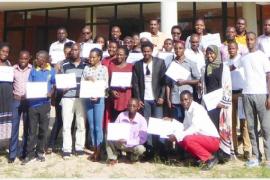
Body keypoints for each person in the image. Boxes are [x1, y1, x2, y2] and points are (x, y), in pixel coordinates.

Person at [231, 32, 270, 168]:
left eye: (252, 39)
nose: (249, 41)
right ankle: (255, 156)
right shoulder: (244, 57)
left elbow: (268, 76)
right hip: (246, 95)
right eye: (247, 39)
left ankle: (268, 158)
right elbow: (231, 67)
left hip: (261, 94)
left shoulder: (262, 56)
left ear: (256, 41)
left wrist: (269, 96)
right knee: (251, 127)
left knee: (265, 128)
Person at [167, 90, 220, 170]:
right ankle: (195, 159)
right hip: (203, 139)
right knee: (181, 139)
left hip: (213, 140)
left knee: (187, 139)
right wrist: (172, 121)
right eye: (182, 100)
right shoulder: (187, 110)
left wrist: (177, 136)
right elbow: (184, 127)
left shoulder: (197, 109)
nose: (184, 102)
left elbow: (194, 128)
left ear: (191, 99)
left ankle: (210, 158)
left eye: (186, 99)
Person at [132, 41, 166, 160]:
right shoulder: (137, 65)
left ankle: (160, 150)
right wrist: (138, 98)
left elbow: (163, 82)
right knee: (146, 125)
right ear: (142, 51)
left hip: (157, 99)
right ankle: (150, 150)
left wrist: (162, 96)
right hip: (144, 99)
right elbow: (135, 84)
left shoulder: (160, 63)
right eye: (144, 51)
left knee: (158, 125)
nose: (146, 53)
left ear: (152, 51)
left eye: (148, 51)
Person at [22, 50, 56, 165]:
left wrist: (51, 92)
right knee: (32, 130)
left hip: (45, 105)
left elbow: (55, 84)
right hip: (33, 105)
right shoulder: (33, 70)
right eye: (36, 57)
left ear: (45, 60)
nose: (36, 59)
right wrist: (28, 92)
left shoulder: (51, 70)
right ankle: (29, 154)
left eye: (39, 58)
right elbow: (29, 84)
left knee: (43, 130)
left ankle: (40, 152)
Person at [200, 45, 233, 159]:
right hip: (209, 104)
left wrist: (223, 101)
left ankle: (223, 153)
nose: (209, 56)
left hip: (220, 103)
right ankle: (213, 152)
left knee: (222, 126)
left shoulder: (224, 67)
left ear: (217, 54)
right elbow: (204, 86)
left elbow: (228, 86)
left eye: (212, 53)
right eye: (208, 53)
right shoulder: (204, 68)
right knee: (211, 128)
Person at [46, 41, 74, 154]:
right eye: (66, 52)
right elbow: (54, 81)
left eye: (70, 52)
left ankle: (68, 144)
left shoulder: (77, 63)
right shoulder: (59, 64)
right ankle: (51, 143)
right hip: (60, 95)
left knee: (72, 121)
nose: (68, 54)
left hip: (73, 96)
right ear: (64, 52)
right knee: (59, 120)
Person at [224, 41, 251, 159]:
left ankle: (246, 149)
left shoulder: (242, 60)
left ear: (237, 49)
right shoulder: (225, 63)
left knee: (244, 123)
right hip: (230, 95)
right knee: (232, 124)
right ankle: (234, 148)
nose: (231, 50)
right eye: (229, 48)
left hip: (241, 95)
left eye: (233, 48)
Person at [83, 48, 108, 162]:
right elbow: (83, 82)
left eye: (94, 57)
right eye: (90, 57)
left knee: (98, 127)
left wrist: (98, 94)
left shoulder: (104, 69)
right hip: (88, 99)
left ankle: (100, 150)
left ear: (99, 58)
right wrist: (88, 78)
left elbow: (105, 84)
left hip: (99, 100)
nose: (91, 59)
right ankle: (94, 149)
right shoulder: (86, 68)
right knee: (91, 126)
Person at [61, 43, 86, 159]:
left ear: (80, 50)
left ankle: (79, 147)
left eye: (77, 49)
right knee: (67, 124)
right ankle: (66, 149)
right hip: (67, 97)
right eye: (72, 50)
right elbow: (59, 80)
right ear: (70, 51)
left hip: (81, 97)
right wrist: (62, 87)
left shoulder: (86, 64)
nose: (74, 52)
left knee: (81, 124)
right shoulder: (64, 64)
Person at [166, 41, 200, 122]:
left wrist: (185, 82)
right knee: (176, 122)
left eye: (180, 48)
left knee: (187, 122)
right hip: (175, 98)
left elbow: (198, 80)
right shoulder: (171, 64)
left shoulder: (191, 63)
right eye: (176, 49)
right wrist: (168, 98)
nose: (178, 50)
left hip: (187, 99)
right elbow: (168, 84)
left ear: (184, 49)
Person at [106, 98, 147, 165]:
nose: (131, 107)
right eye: (130, 105)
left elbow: (142, 139)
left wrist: (127, 141)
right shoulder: (121, 115)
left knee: (141, 149)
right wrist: (114, 135)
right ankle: (113, 157)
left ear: (138, 107)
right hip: (120, 143)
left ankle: (132, 157)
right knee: (108, 135)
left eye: (134, 106)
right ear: (127, 106)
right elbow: (115, 129)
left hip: (133, 146)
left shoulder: (142, 120)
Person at [8, 50, 32, 163]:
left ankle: (23, 152)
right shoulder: (12, 69)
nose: (23, 61)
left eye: (25, 58)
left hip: (27, 102)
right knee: (14, 127)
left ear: (29, 59)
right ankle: (12, 154)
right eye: (21, 58)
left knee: (27, 127)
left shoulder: (33, 70)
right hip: (16, 100)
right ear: (18, 58)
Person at [108, 46, 133, 121]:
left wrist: (129, 84)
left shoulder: (131, 67)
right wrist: (111, 91)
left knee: (126, 119)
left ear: (126, 55)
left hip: (127, 96)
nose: (119, 56)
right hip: (115, 97)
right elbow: (108, 82)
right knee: (115, 120)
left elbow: (134, 82)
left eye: (121, 54)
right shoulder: (111, 66)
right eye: (117, 54)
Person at [0, 43, 13, 147]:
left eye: (7, 52)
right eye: (3, 51)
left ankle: (2, 143)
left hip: (7, 94)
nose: (5, 53)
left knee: (4, 119)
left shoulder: (8, 63)